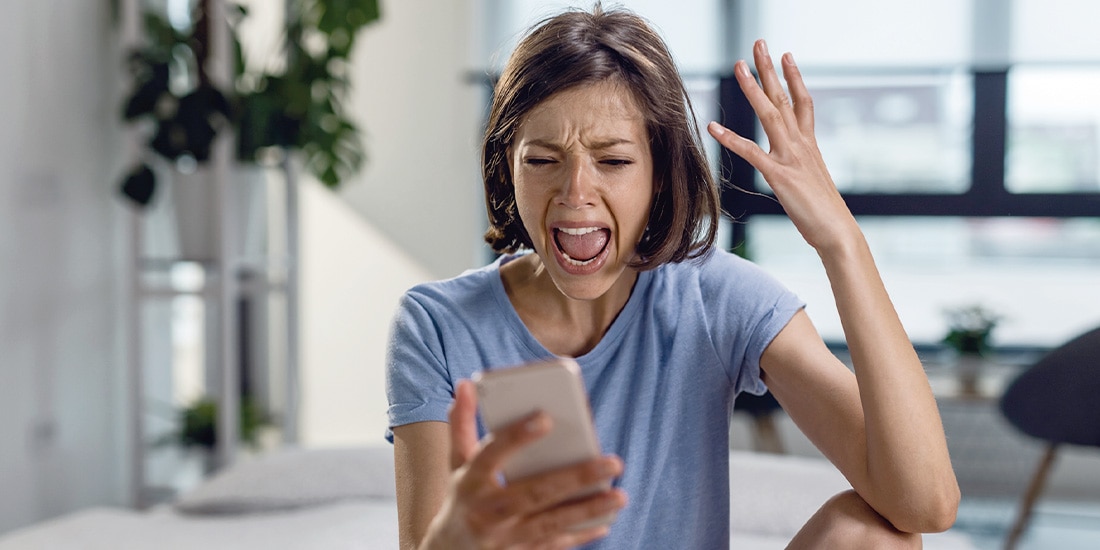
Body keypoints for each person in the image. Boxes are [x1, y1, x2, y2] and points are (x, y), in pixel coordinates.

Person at [385, 4, 960, 549]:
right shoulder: (436, 324)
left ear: (659, 173)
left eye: (613, 161)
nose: (575, 192)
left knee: (872, 535)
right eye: (541, 160)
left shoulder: (716, 297)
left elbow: (925, 504)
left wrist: (842, 243)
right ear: (507, 166)